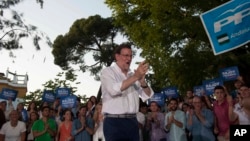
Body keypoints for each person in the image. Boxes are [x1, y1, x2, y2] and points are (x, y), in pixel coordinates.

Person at [100, 43, 154, 141]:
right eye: (126, 55)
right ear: (117, 56)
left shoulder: (133, 75)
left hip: (133, 122)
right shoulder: (107, 72)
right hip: (114, 122)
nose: (129, 59)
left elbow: (148, 95)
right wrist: (136, 77)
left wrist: (143, 82)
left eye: (130, 56)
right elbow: (113, 90)